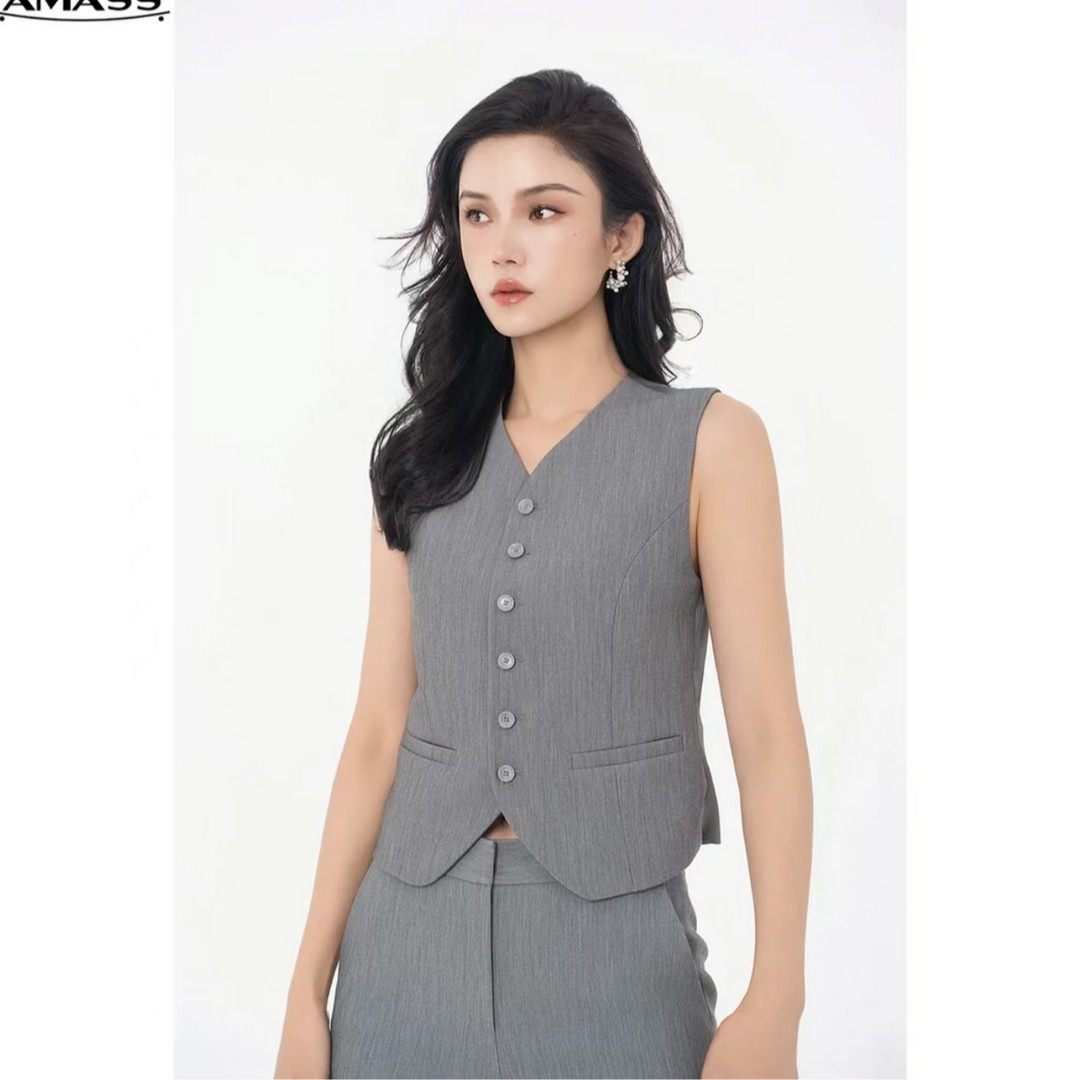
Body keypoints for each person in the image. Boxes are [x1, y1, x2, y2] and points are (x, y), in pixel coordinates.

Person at [274, 68, 811, 1080]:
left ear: (623, 237)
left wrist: (777, 995)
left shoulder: (711, 443)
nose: (502, 246)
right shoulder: (420, 455)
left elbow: (767, 732)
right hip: (401, 951)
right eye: (476, 213)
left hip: (617, 956)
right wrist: (305, 993)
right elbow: (379, 726)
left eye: (544, 210)